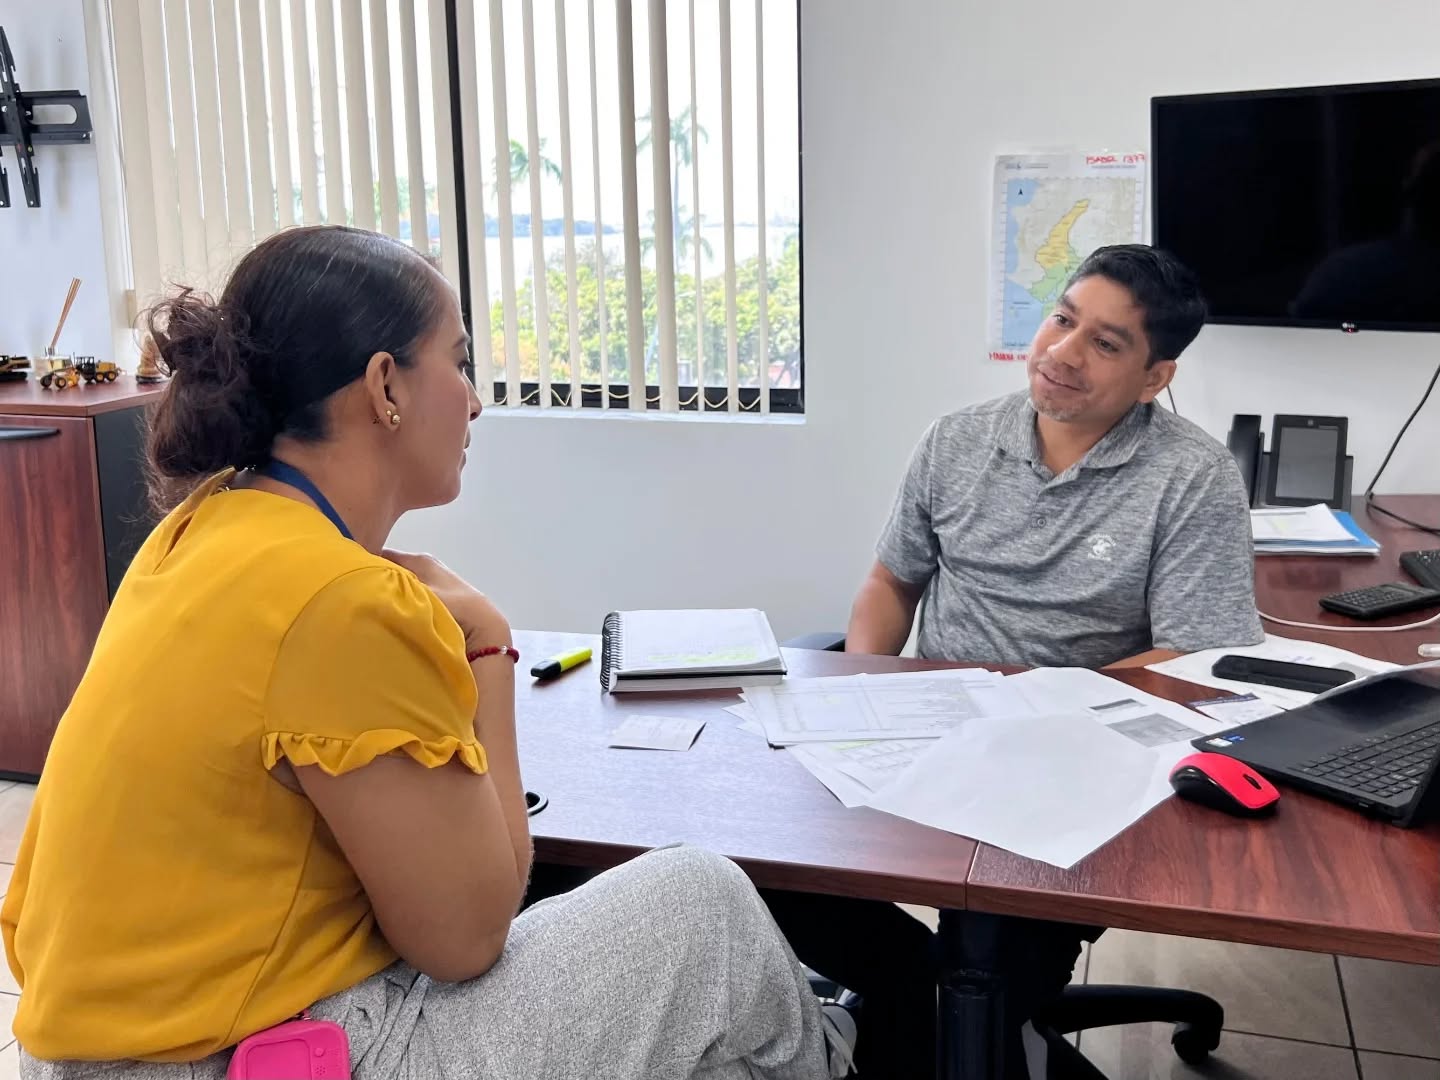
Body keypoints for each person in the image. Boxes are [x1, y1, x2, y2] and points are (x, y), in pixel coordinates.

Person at [2, 226, 852, 1080]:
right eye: (458, 361)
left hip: (102, 1049)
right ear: (385, 387)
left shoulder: (200, 528)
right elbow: (466, 939)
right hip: (233, 1056)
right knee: (706, 911)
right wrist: (489, 647)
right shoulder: (341, 599)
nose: (475, 401)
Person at [768, 245, 1264, 1079]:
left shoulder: (1191, 476)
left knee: (993, 966)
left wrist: (1038, 711)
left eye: (1105, 343)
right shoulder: (958, 440)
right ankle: (928, 1005)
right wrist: (859, 689)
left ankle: (964, 1024)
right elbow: (892, 581)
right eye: (1063, 319)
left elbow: (1197, 652)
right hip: (929, 728)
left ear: (1154, 377)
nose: (1063, 352)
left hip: (1078, 759)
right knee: (764, 860)